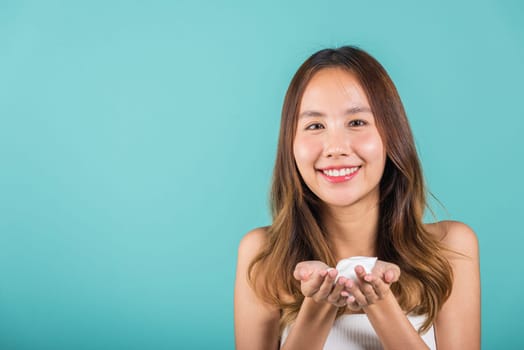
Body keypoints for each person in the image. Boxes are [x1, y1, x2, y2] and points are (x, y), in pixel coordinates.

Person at [234, 46, 480, 350]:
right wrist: (318, 309)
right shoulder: (263, 255)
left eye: (357, 122)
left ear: (392, 136)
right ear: (291, 145)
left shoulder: (451, 248)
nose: (336, 147)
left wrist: (381, 305)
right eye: (315, 126)